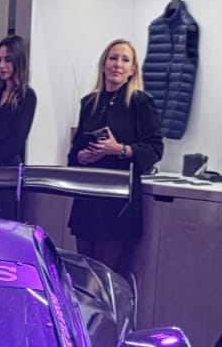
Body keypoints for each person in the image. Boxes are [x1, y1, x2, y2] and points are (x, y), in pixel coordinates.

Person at [68, 37, 164, 277]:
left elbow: (155, 149)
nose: (117, 64)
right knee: (84, 272)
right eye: (113, 58)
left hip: (117, 201)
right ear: (104, 64)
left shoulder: (141, 103)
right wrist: (83, 157)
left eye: (125, 60)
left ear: (132, 69)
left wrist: (120, 149)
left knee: (107, 275)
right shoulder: (89, 103)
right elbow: (74, 152)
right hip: (88, 196)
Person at [0, 35, 38, 220]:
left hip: (6, 174)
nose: (2, 65)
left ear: (19, 61)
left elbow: (16, 142)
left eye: (8, 60)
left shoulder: (27, 96)